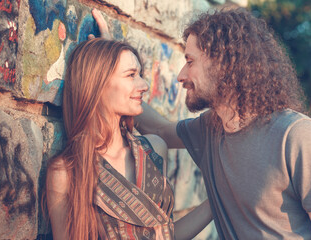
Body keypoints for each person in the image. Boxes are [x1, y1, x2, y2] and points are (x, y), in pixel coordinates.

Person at [131, 7, 311, 240]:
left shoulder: (296, 135)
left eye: (190, 62)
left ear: (223, 64)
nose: (181, 75)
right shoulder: (209, 128)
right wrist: (110, 71)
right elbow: (157, 129)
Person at [45, 36, 212, 240]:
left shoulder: (153, 150)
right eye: (131, 75)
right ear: (97, 83)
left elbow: (166, 235)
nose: (143, 85)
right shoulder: (67, 171)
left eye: (140, 74)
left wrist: (218, 199)